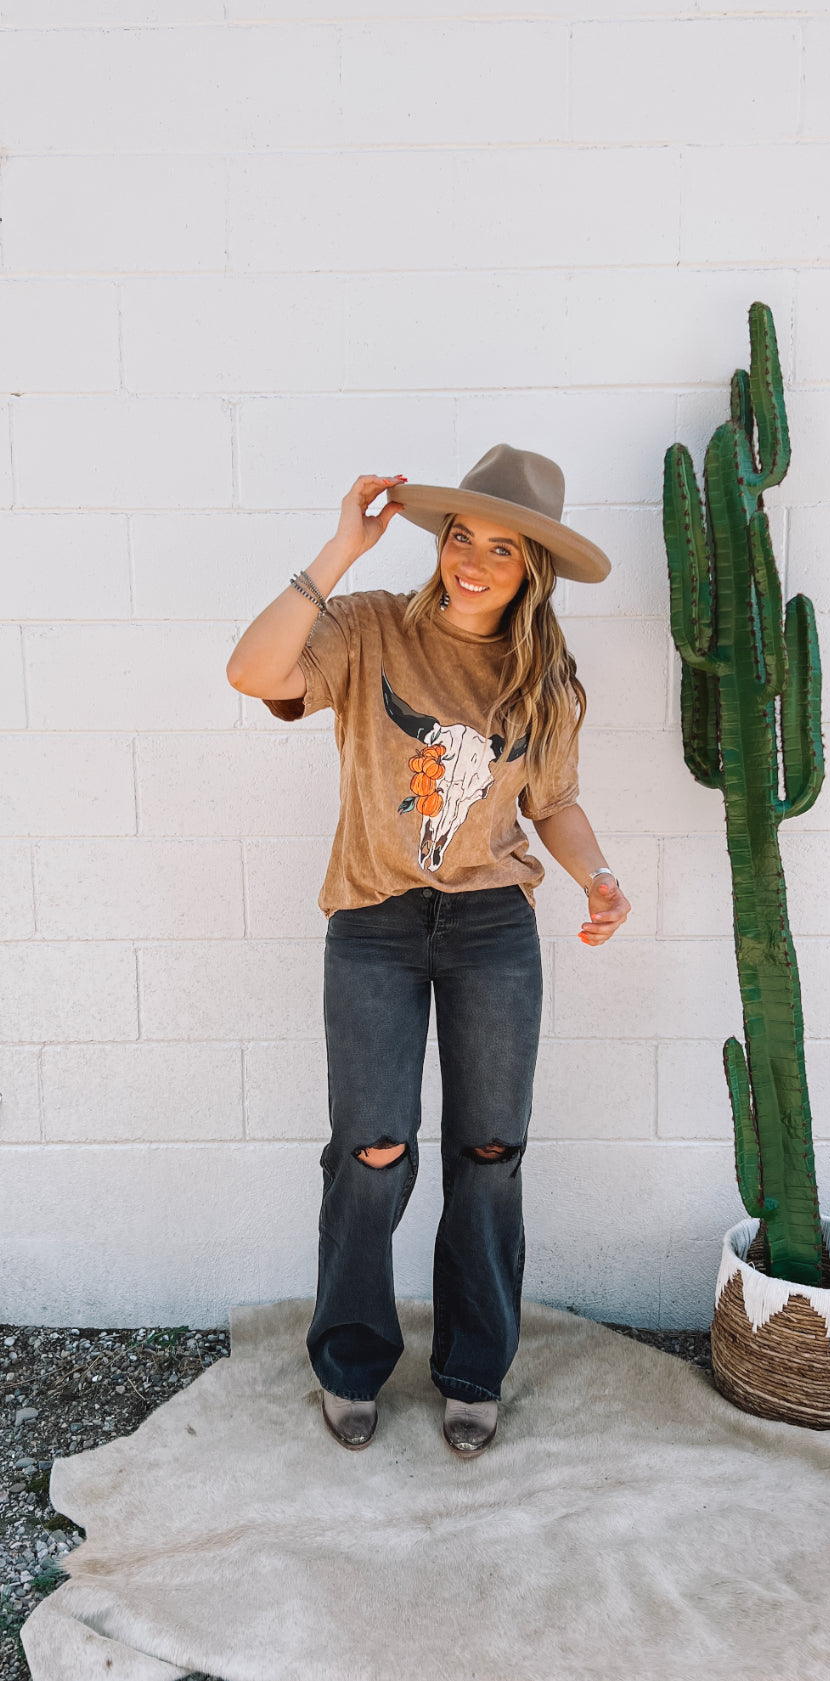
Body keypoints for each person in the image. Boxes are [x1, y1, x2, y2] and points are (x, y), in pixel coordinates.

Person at [226, 444, 631, 1459]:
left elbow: (555, 801)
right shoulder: (369, 628)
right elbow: (252, 671)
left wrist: (597, 875)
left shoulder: (542, 676)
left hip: (493, 926)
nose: (473, 562)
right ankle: (352, 1357)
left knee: (490, 1150)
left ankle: (472, 1368)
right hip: (375, 923)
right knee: (372, 1150)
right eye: (461, 536)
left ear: (532, 569)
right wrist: (340, 549)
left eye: (502, 548)